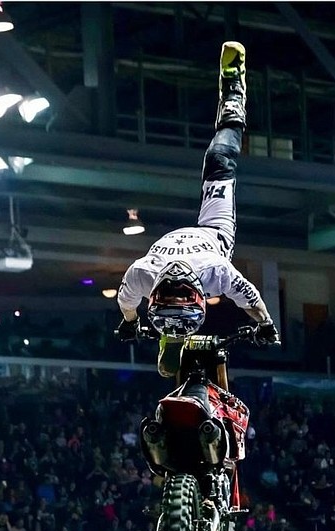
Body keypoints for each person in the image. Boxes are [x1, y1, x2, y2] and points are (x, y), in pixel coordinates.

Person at [116, 41, 280, 377]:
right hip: (214, 230)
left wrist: (129, 323)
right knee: (220, 160)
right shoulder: (216, 270)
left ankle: (234, 89)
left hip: (199, 235)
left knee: (218, 159)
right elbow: (253, 303)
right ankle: (233, 95)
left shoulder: (142, 274)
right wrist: (265, 324)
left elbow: (127, 307)